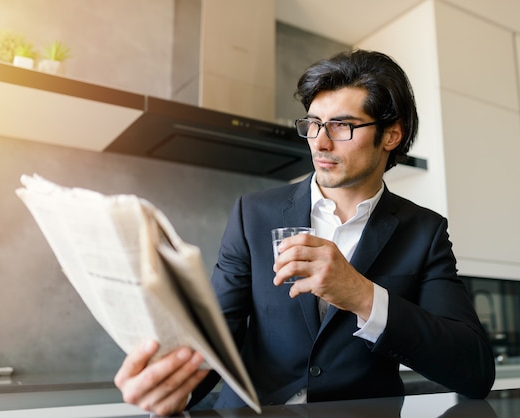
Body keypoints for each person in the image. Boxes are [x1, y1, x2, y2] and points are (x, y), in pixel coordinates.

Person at [114, 49, 495, 415]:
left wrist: (363, 295)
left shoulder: (424, 231)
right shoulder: (253, 214)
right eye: (313, 124)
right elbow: (218, 335)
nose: (320, 142)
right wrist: (170, 384)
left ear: (392, 135)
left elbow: (474, 371)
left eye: (342, 125)